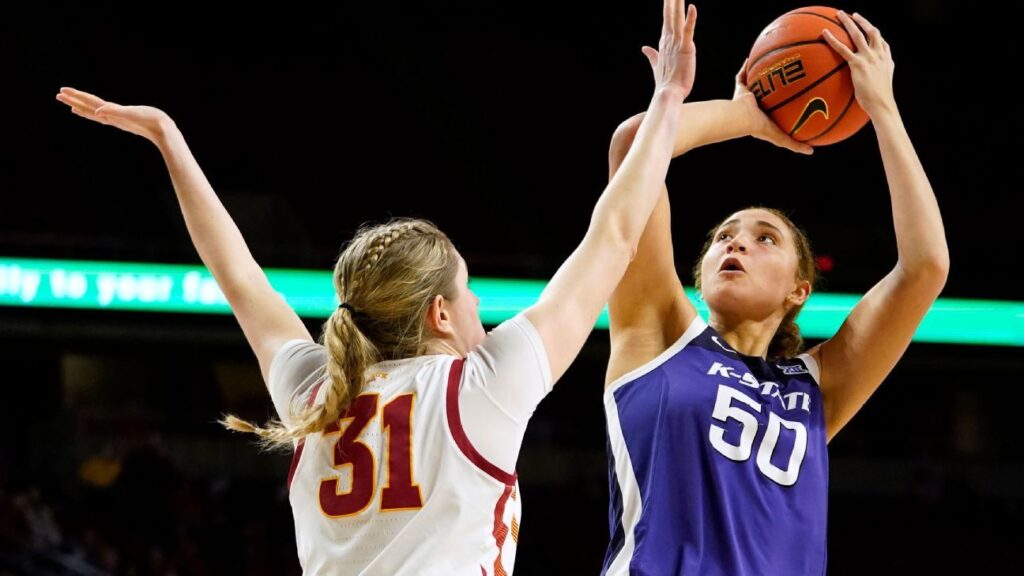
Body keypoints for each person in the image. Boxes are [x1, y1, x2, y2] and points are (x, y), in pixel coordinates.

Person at [56, 1, 697, 573]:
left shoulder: (316, 391)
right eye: (469, 289)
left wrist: (170, 141)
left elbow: (238, 275)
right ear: (441, 313)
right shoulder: (481, 388)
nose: (480, 307)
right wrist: (668, 96)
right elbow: (612, 235)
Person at [600, 11, 948, 575]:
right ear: (702, 270)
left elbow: (927, 266)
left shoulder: (818, 386)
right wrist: (743, 117)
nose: (736, 244)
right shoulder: (658, 334)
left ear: (798, 290)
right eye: (723, 237)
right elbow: (636, 144)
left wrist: (881, 108)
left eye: (765, 239)